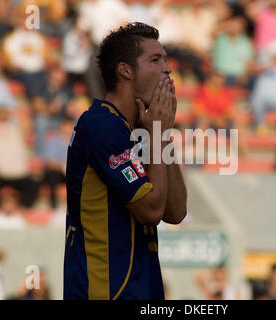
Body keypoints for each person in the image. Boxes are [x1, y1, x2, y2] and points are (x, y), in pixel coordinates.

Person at [63, 22, 187, 300]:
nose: (167, 69)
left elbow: (176, 212)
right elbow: (151, 212)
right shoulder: (101, 125)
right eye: (155, 60)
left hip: (142, 288)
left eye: (166, 59)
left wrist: (162, 133)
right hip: (106, 291)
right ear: (126, 70)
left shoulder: (142, 129)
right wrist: (156, 133)